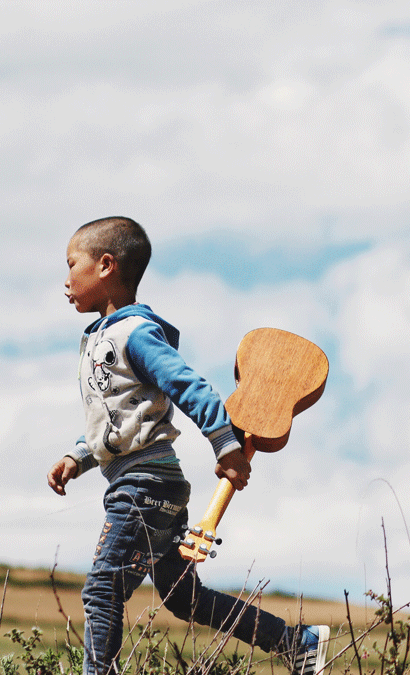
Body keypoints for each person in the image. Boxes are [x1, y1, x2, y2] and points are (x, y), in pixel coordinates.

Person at [46, 217, 329, 675]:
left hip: (143, 485)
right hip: (149, 482)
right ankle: (298, 642)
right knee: (183, 597)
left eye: (71, 264)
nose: (65, 279)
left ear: (105, 266)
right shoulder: (102, 338)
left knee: (102, 588)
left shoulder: (134, 334)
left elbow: (188, 385)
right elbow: (114, 417)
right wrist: (77, 457)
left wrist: (224, 445)